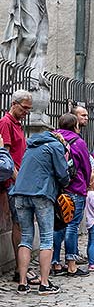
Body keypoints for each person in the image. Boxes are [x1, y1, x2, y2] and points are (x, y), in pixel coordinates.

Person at [11, 130, 70, 295]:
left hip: (20, 193)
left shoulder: (31, 146)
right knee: (46, 239)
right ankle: (44, 284)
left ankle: (22, 283)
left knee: (26, 237)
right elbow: (62, 174)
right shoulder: (56, 146)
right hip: (41, 194)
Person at [51, 113, 92, 277]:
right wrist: (86, 183)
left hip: (58, 188)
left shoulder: (53, 138)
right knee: (72, 226)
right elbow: (86, 166)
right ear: (75, 126)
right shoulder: (78, 142)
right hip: (75, 188)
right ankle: (71, 264)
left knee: (58, 225)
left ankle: (54, 262)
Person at [0, 89, 32, 279]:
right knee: (19, 223)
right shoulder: (6, 123)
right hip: (13, 181)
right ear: (14, 104)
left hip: (19, 178)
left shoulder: (17, 123)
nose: (27, 112)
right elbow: (5, 157)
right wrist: (18, 179)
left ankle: (22, 266)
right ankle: (20, 268)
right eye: (24, 108)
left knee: (21, 223)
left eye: (29, 109)